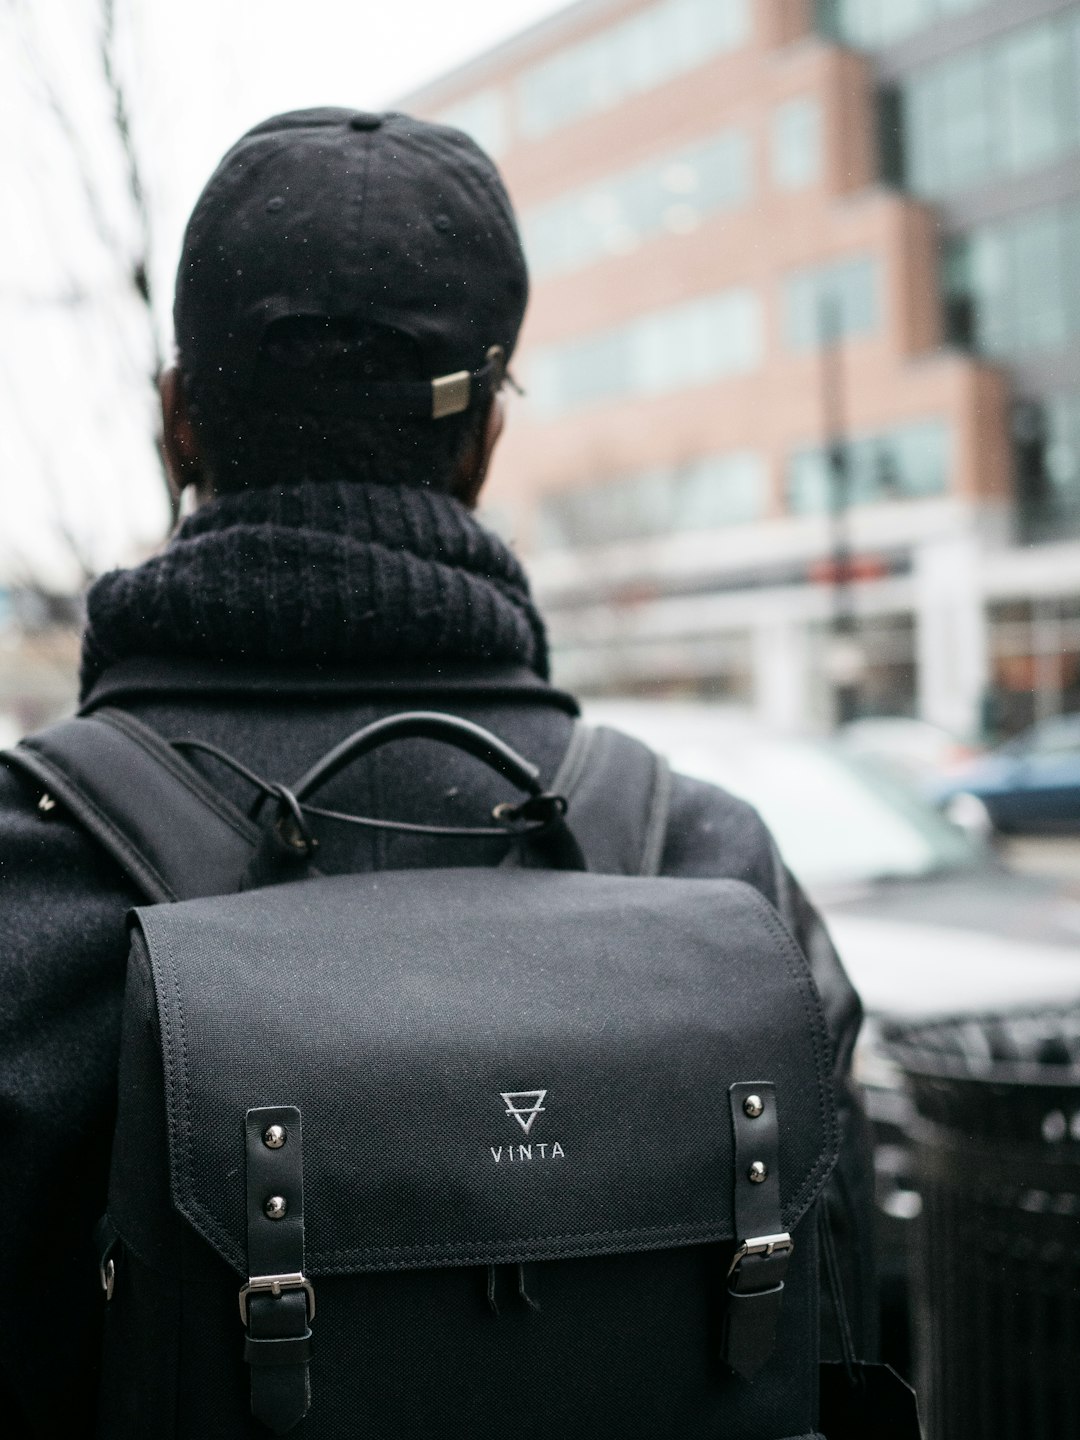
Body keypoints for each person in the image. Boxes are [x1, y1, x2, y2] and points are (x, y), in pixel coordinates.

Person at [0, 108, 875, 1437]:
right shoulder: (714, 868)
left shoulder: (25, 872)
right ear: (483, 445)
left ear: (179, 417)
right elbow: (843, 1346)